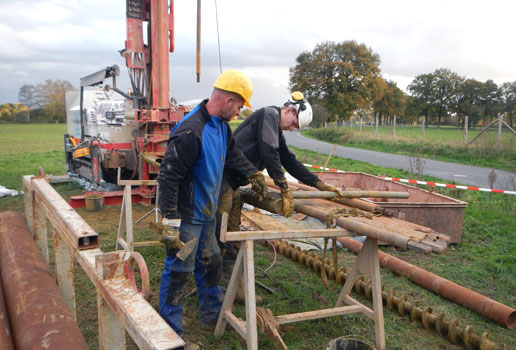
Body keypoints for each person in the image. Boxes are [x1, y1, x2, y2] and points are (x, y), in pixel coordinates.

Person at [157, 70, 268, 341]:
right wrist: (170, 221)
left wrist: (253, 173)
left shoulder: (220, 126)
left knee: (211, 263)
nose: (239, 112)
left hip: (206, 213)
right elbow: (168, 176)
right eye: (240, 106)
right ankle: (169, 335)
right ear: (228, 100)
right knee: (179, 273)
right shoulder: (190, 131)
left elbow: (232, 154)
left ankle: (212, 315)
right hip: (186, 217)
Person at [215, 91, 344, 281]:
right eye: (293, 123)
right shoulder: (269, 114)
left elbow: (289, 161)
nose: (292, 128)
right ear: (290, 110)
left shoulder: (275, 129)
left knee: (232, 234)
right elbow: (269, 152)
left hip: (233, 185)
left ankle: (231, 282)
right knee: (218, 230)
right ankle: (209, 281)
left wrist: (318, 183)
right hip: (222, 180)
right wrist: (283, 186)